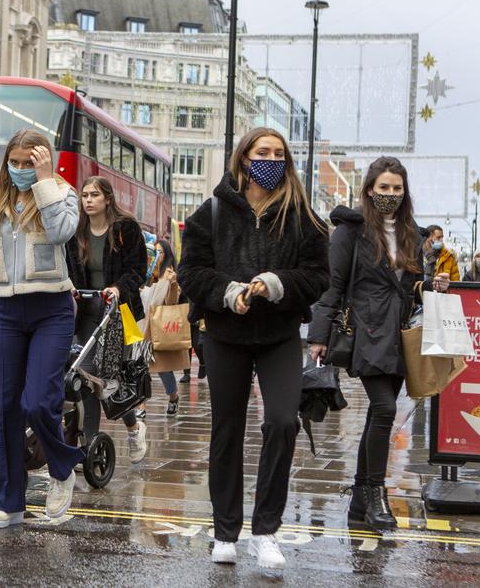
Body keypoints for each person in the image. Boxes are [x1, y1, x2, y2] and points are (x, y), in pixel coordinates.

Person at [178, 127, 330, 568]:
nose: (270, 159)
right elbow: (191, 272)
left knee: (283, 423)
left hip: (279, 336)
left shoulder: (301, 215)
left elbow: (319, 274)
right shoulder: (211, 212)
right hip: (226, 335)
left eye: (278, 153)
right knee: (227, 429)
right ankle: (225, 531)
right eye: (262, 152)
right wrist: (229, 292)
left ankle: (266, 531)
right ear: (244, 158)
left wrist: (276, 284)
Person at [308, 157, 451, 533]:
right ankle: (375, 494)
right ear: (370, 189)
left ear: (405, 193)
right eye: (383, 188)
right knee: (385, 409)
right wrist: (319, 336)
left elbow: (408, 287)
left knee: (379, 414)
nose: (390, 194)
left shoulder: (413, 235)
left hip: (400, 333)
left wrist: (429, 285)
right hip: (366, 330)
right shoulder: (349, 232)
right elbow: (333, 285)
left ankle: (359, 499)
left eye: (397, 189)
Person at [0, 129, 83, 530]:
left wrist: (46, 181)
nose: (23, 169)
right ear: (6, 162)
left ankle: (62, 466)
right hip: (6, 311)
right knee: (6, 406)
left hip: (52, 309)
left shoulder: (62, 195)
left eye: (32, 162)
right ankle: (9, 501)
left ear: (45, 161)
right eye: (17, 162)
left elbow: (63, 233)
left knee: (39, 402)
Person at [65, 176, 149, 462]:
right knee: (86, 378)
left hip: (118, 314)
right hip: (87, 313)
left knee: (112, 381)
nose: (88, 200)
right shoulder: (76, 231)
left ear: (108, 199)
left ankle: (134, 427)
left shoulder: (126, 229)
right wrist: (70, 286)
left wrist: (118, 288)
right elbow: (67, 267)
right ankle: (88, 445)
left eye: (94, 195)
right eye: (85, 195)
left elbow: (138, 271)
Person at [144, 237, 185, 415]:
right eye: (155, 251)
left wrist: (173, 283)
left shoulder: (169, 275)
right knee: (139, 368)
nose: (156, 255)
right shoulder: (146, 273)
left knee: (163, 370)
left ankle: (173, 396)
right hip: (142, 326)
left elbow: (171, 302)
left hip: (159, 327)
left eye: (160, 252)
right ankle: (141, 405)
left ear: (167, 254)